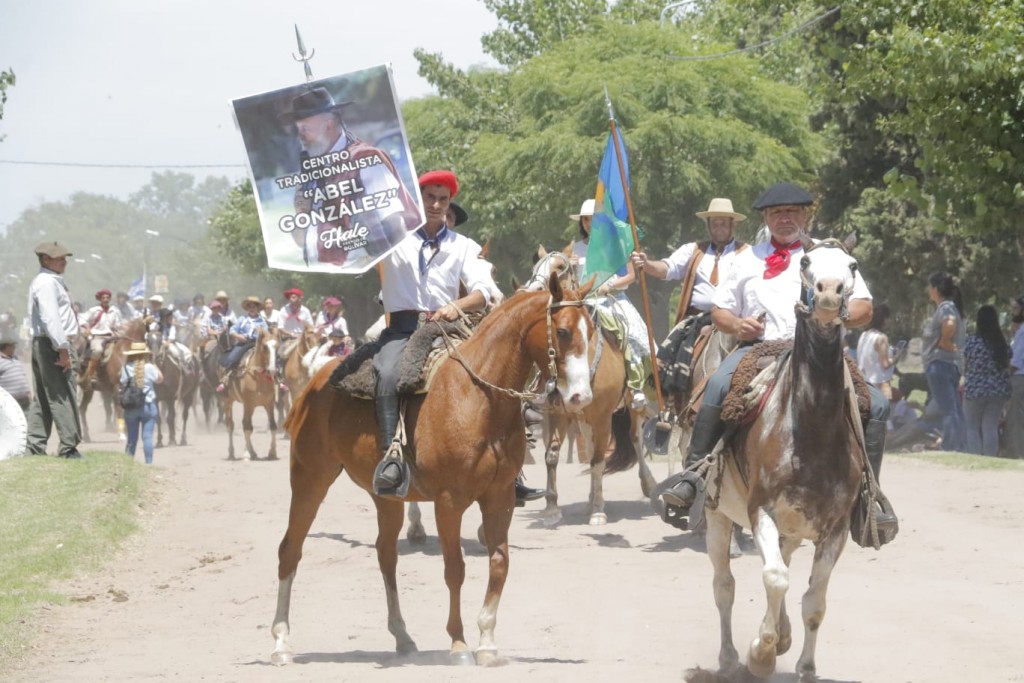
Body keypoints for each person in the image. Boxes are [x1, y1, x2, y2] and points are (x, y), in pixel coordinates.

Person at [647, 183, 892, 523]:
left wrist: (840, 314)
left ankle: (867, 497)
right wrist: (737, 325)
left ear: (805, 216)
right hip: (758, 350)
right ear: (766, 217)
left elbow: (865, 306)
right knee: (716, 387)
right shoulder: (748, 257)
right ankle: (694, 478)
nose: (785, 218)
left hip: (819, 353)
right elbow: (720, 311)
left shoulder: (830, 256)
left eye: (793, 211)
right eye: (777, 213)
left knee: (877, 404)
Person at [371, 169, 542, 504]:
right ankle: (392, 455)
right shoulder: (391, 239)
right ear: (417, 200)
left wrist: (457, 305)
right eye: (430, 198)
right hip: (403, 328)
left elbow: (485, 290)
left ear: (449, 202)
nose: (436, 205)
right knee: (389, 372)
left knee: (497, 375)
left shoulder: (464, 246)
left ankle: (511, 469)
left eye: (443, 199)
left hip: (450, 327)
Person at [278, 86, 421, 266]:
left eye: (305, 127)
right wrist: (301, 213)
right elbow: (300, 241)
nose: (300, 135)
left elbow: (395, 224)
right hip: (330, 278)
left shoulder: (365, 159)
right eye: (297, 128)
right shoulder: (309, 176)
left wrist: (403, 273)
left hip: (372, 274)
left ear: (328, 124)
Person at [631, 197, 749, 403]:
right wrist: (646, 264)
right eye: (715, 223)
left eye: (723, 223)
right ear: (709, 225)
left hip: (733, 318)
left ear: (733, 225)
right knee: (669, 351)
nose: (719, 227)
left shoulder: (748, 253)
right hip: (697, 319)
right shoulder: (693, 250)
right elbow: (668, 268)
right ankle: (668, 401)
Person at [569, 198, 650, 409]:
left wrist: (610, 285)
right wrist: (570, 267)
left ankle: (635, 385)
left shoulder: (617, 245)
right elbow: (570, 281)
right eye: (585, 220)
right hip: (584, 300)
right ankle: (551, 385)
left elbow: (631, 276)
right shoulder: (575, 248)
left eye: (593, 220)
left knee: (629, 333)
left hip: (611, 299)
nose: (588, 224)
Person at [25, 240, 84, 459]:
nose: (64, 261)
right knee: (62, 394)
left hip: (46, 342)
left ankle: (34, 446)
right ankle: (68, 447)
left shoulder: (48, 281)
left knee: (43, 397)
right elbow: (51, 318)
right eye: (59, 258)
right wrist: (62, 348)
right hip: (53, 344)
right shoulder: (47, 283)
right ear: (45, 259)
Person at [920, 272, 967, 452]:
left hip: (940, 364)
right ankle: (961, 445)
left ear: (936, 289)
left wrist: (945, 340)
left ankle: (950, 446)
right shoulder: (953, 306)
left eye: (931, 287)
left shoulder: (946, 307)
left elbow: (949, 322)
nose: (929, 291)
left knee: (948, 409)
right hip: (951, 365)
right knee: (954, 407)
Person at [962, 305, 1011, 456]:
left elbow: (965, 366)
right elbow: (1008, 366)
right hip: (998, 390)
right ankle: (990, 458)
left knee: (972, 427)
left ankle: (975, 457)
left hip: (975, 390)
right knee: (990, 427)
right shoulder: (1002, 344)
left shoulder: (971, 342)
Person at [120, 342, 163, 464]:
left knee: (132, 439)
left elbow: (122, 382)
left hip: (131, 406)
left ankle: (128, 463)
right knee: (147, 437)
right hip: (148, 405)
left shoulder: (125, 367)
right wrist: (154, 364)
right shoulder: (149, 367)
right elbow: (160, 379)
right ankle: (148, 463)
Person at [217, 296, 269, 392]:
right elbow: (232, 330)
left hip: (257, 344)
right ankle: (225, 379)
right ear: (247, 308)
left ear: (258, 309)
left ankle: (278, 379)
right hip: (243, 343)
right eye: (250, 307)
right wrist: (238, 336)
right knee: (232, 358)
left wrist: (261, 334)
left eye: (254, 307)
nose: (252, 309)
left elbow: (267, 333)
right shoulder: (242, 319)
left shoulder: (262, 321)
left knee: (272, 357)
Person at [81, 288, 123, 385]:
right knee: (98, 350)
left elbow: (119, 323)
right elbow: (82, 318)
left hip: (111, 336)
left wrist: (116, 326)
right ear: (100, 299)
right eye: (103, 298)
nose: (105, 299)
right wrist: (87, 327)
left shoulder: (114, 311)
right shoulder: (94, 310)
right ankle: (91, 373)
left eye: (107, 297)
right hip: (98, 336)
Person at [857, 303, 897, 400]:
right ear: (884, 319)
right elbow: (885, 364)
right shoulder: (881, 338)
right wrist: (896, 358)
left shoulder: (864, 335)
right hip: (880, 384)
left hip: (864, 383)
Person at [1004, 297, 1024, 458]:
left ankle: (1017, 453)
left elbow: (1015, 361)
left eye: (1017, 309)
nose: (1013, 312)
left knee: (1015, 419)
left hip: (1019, 378)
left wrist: (1003, 373)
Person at [0, 337, 31, 411]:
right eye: (13, 345)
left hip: (24, 400)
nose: (15, 347)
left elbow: (21, 375)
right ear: (6, 347)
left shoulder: (15, 358)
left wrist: (27, 392)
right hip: (8, 402)